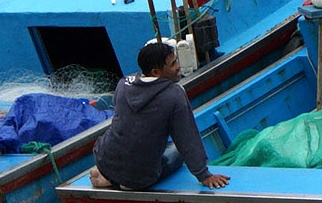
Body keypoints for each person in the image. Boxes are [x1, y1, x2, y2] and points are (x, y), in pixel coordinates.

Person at [95, 38, 226, 191]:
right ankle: (120, 182)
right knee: (176, 150)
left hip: (103, 161)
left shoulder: (123, 84)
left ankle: (106, 176)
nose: (178, 67)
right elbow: (187, 139)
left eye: (176, 61)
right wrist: (204, 175)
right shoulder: (175, 95)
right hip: (137, 180)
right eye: (173, 64)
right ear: (156, 72)